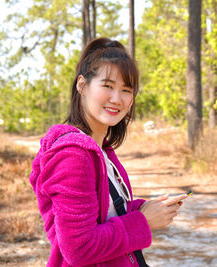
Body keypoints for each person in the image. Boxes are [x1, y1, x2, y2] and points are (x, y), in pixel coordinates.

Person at [29, 37, 187, 267]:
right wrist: (142, 221)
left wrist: (144, 208)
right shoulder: (74, 155)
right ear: (82, 85)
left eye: (126, 89)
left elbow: (103, 213)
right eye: (108, 86)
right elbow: (79, 248)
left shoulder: (99, 149)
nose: (117, 98)